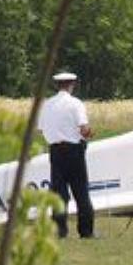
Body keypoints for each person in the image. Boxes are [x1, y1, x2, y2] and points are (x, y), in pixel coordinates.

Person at [38, 72, 95, 239]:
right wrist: (89, 134)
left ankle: (59, 231)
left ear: (57, 85)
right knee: (81, 192)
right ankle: (86, 231)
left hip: (55, 151)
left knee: (59, 193)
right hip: (74, 151)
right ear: (72, 84)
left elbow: (41, 128)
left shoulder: (47, 104)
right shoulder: (75, 103)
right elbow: (84, 128)